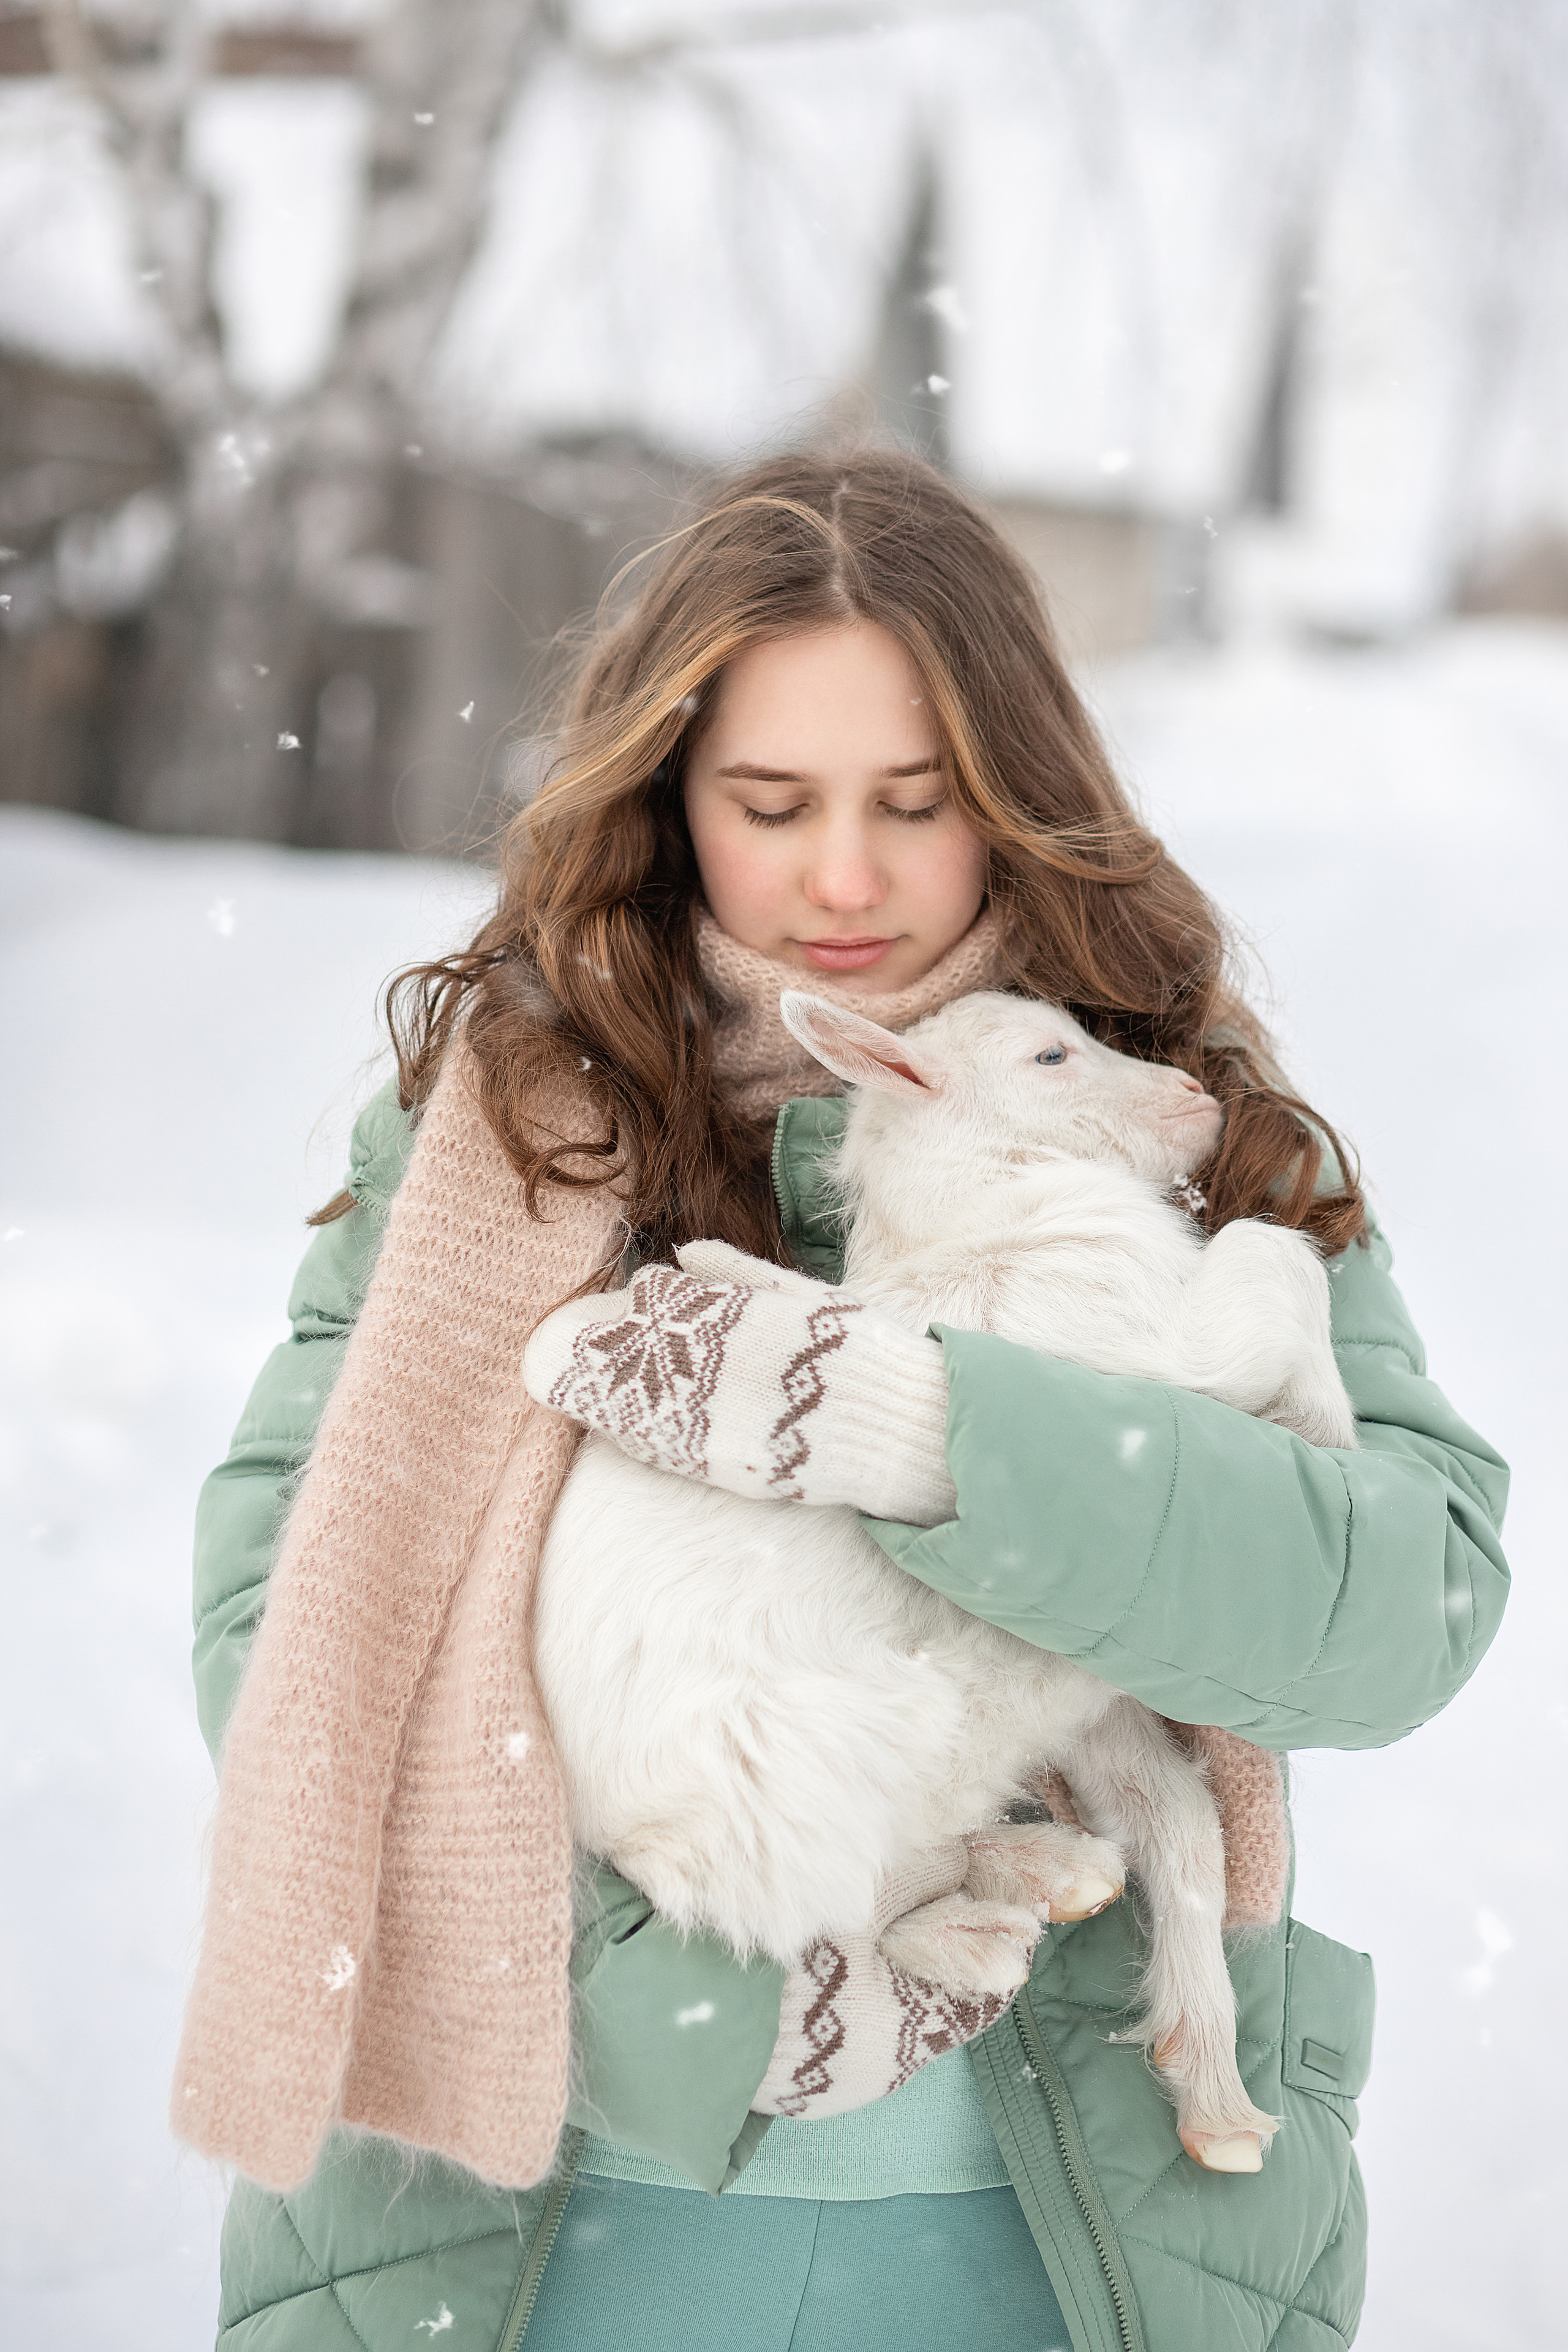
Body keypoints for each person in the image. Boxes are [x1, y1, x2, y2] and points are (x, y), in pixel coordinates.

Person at [179, 449, 1509, 2352]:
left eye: (918, 800)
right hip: (540, 2233)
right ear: (669, 799)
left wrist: (941, 1436)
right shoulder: (507, 1134)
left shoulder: (1181, 1135)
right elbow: (289, 1630)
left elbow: (1396, 1613)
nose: (845, 879)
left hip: (1053, 2247)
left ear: (1020, 798)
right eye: (770, 802)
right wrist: (692, 2013)